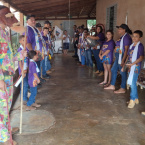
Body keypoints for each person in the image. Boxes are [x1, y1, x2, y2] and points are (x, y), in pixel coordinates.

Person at [0, 5, 27, 144]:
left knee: (6, 107)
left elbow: (7, 56)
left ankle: (6, 131)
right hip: (1, 78)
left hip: (8, 75)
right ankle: (5, 140)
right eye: (6, 15)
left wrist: (19, 55)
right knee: (1, 110)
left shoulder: (5, 32)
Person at [105, 24, 132, 93]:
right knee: (113, 70)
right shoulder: (122, 37)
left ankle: (122, 88)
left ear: (124, 30)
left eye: (120, 29)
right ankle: (112, 85)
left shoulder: (126, 38)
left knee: (123, 72)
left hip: (122, 58)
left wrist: (123, 60)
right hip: (118, 57)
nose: (118, 30)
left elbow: (126, 50)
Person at [122, 30, 144, 108]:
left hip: (136, 67)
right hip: (130, 66)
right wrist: (124, 64)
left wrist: (132, 64)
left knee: (132, 83)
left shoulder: (140, 46)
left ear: (140, 38)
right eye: (133, 36)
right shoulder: (131, 46)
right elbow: (128, 56)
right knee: (132, 83)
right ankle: (136, 98)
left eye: (136, 36)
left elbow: (141, 57)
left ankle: (132, 100)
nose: (134, 38)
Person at [17, 35, 31, 107]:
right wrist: (22, 70)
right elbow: (19, 61)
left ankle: (24, 96)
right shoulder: (20, 50)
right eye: (23, 40)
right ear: (20, 41)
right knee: (24, 84)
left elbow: (27, 59)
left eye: (25, 40)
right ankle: (24, 98)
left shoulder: (26, 49)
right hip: (22, 70)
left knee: (26, 84)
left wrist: (28, 68)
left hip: (26, 69)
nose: (25, 41)